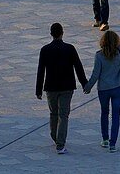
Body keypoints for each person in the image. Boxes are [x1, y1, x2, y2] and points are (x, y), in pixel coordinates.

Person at [35, 22, 87, 155]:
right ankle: (60, 144)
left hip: (51, 87)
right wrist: (84, 83)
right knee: (63, 115)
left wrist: (38, 90)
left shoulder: (45, 49)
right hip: (67, 87)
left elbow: (41, 71)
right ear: (62, 33)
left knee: (53, 113)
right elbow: (78, 67)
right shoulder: (70, 48)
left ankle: (55, 136)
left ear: (51, 34)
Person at [82, 29, 120, 153]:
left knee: (104, 113)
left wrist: (88, 87)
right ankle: (113, 144)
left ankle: (105, 139)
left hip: (103, 89)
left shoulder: (99, 55)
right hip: (117, 88)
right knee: (116, 116)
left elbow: (95, 74)